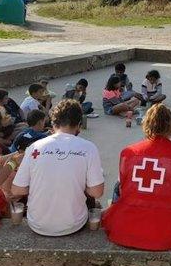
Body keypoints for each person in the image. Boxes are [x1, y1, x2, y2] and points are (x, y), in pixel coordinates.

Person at [102, 104, 171, 250]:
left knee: (118, 187)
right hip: (168, 230)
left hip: (126, 227)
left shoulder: (127, 153)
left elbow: (122, 190)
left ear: (146, 124)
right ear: (170, 127)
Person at [11, 100, 104, 236]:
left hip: (36, 223)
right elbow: (97, 192)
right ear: (79, 125)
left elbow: (17, 190)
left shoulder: (34, 147)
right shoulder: (88, 148)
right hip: (73, 224)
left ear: (53, 124)